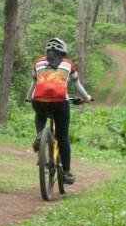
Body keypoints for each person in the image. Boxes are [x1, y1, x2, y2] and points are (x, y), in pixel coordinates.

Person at [26, 37, 92, 185]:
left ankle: (40, 134)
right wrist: (86, 98)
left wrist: (28, 97)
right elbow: (77, 84)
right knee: (62, 137)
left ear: (47, 51)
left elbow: (34, 83)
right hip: (60, 104)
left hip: (39, 101)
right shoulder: (68, 64)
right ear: (63, 52)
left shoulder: (38, 62)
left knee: (40, 112)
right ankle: (67, 173)